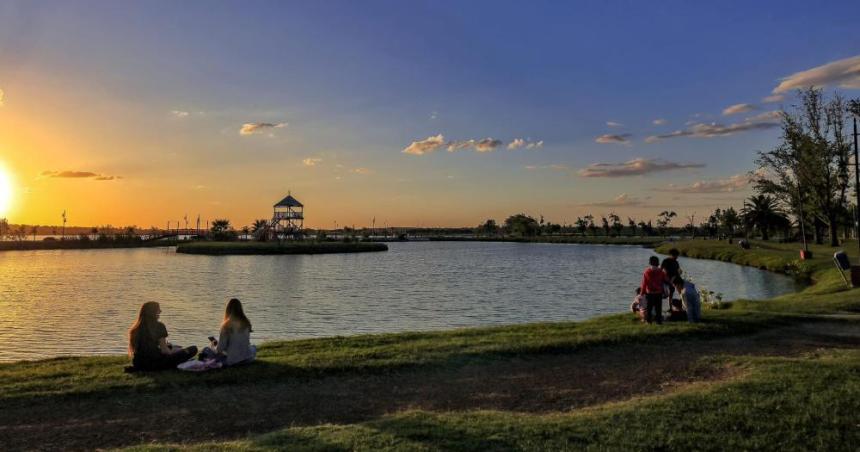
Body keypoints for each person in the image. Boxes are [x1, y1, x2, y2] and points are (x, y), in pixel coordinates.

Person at [128, 302, 197, 371]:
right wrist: (175, 351)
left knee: (171, 347)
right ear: (153, 312)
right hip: (157, 364)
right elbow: (165, 351)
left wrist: (169, 348)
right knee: (193, 349)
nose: (160, 311)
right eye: (158, 309)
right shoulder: (159, 326)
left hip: (139, 364)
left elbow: (146, 349)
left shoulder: (135, 329)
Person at [211, 298, 257, 366]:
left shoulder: (226, 325)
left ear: (228, 309)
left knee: (207, 350)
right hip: (248, 359)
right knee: (253, 347)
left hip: (232, 361)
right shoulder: (246, 322)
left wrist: (213, 346)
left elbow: (219, 350)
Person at [640, 256, 667, 324]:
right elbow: (665, 280)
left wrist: (641, 293)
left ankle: (649, 321)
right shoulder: (661, 271)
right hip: (659, 293)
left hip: (650, 293)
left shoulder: (646, 272)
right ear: (657, 263)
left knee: (649, 308)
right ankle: (659, 321)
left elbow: (644, 284)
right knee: (658, 308)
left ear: (650, 262)